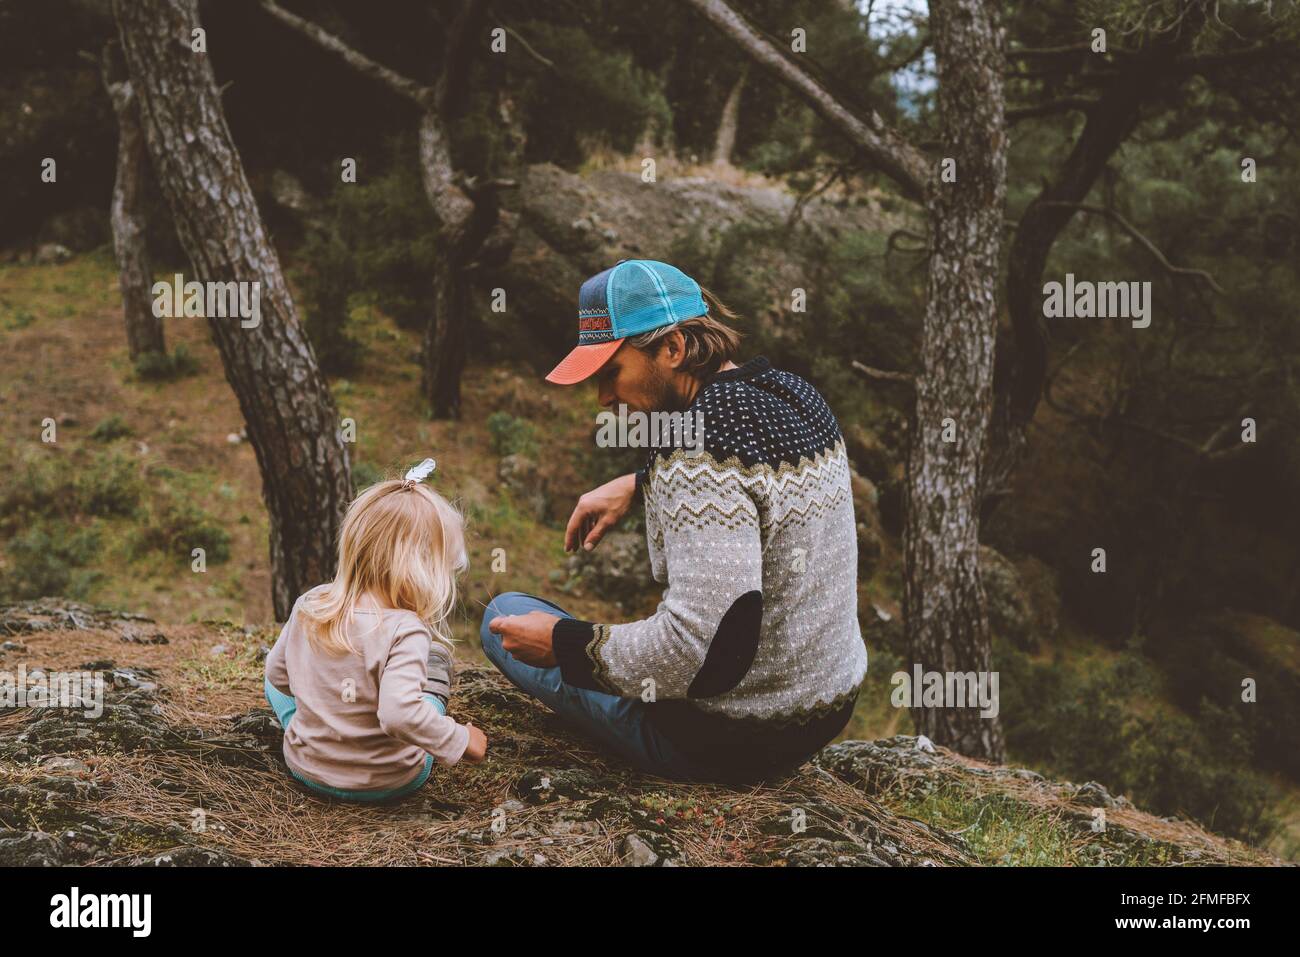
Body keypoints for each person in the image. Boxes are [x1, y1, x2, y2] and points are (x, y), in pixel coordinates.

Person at [483, 259, 867, 785]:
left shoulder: (690, 451)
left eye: (611, 372)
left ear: (673, 349)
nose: (604, 399)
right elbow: (757, 484)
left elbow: (699, 652)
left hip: (726, 740)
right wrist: (640, 483)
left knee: (503, 614)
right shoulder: (797, 396)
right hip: (823, 711)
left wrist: (565, 645)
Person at [264, 474, 487, 802]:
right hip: (392, 780)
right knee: (425, 694)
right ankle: (435, 678)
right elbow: (399, 715)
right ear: (424, 569)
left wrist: (324, 704)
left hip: (307, 769)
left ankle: (317, 739)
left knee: (272, 683)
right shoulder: (406, 629)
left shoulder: (310, 604)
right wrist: (460, 738)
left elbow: (278, 676)